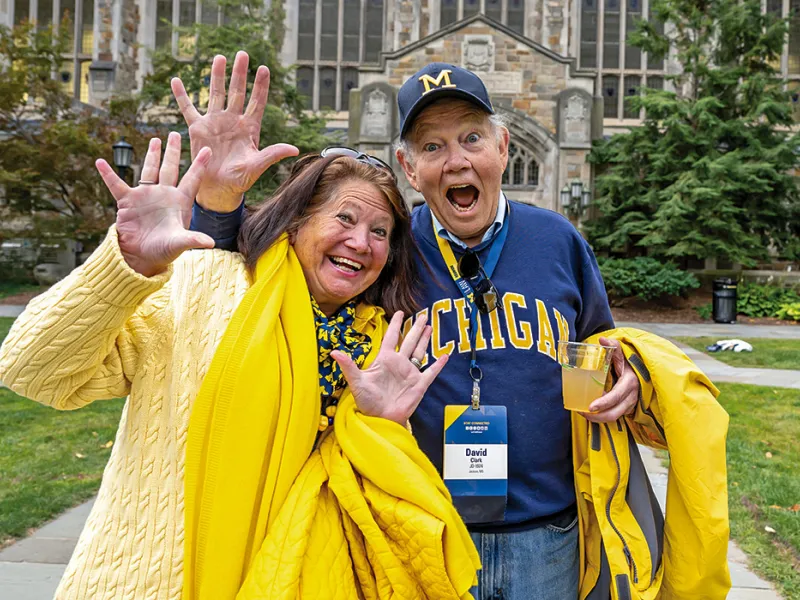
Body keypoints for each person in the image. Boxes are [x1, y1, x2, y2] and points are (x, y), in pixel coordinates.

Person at [189, 57, 733, 599]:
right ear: (407, 166)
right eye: (432, 147)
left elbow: (597, 349)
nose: (456, 162)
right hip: (423, 530)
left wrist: (630, 375)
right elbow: (266, 274)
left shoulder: (558, 241)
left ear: (501, 147)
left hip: (547, 536)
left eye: (471, 138)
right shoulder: (387, 246)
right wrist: (218, 202)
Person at [0, 65, 481, 599]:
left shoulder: (379, 348)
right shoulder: (206, 288)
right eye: (344, 219)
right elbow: (32, 371)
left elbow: (370, 509)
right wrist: (126, 267)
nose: (361, 243)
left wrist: (378, 425)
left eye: (380, 232)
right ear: (297, 221)